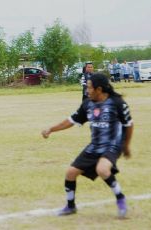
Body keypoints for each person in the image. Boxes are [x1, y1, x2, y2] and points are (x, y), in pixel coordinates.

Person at [41, 73, 133, 218]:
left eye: (89, 88)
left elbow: (129, 125)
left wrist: (126, 146)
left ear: (99, 89)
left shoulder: (117, 103)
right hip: (94, 146)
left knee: (102, 169)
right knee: (70, 173)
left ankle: (120, 199)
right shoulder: (87, 104)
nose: (87, 90)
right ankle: (70, 207)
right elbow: (71, 121)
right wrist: (51, 129)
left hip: (112, 145)